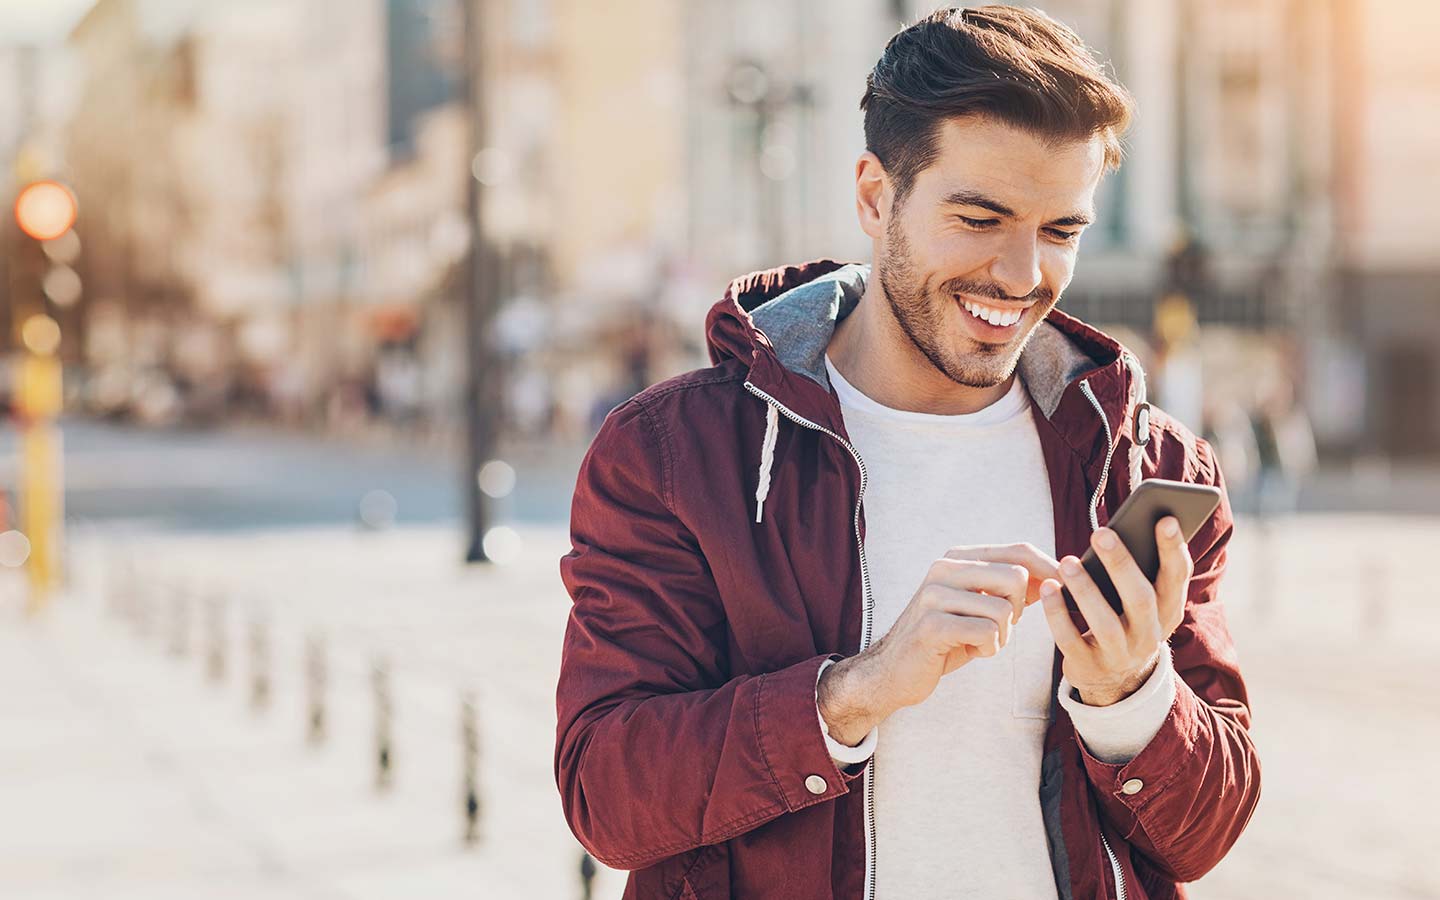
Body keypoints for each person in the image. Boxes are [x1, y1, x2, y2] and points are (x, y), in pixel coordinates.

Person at [555, 8, 1260, 899]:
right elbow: (604, 795)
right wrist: (856, 691)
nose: (1020, 273)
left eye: (1060, 231)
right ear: (875, 197)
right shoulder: (675, 456)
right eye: (979, 217)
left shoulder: (1150, 471)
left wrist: (1133, 696)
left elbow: (1207, 834)